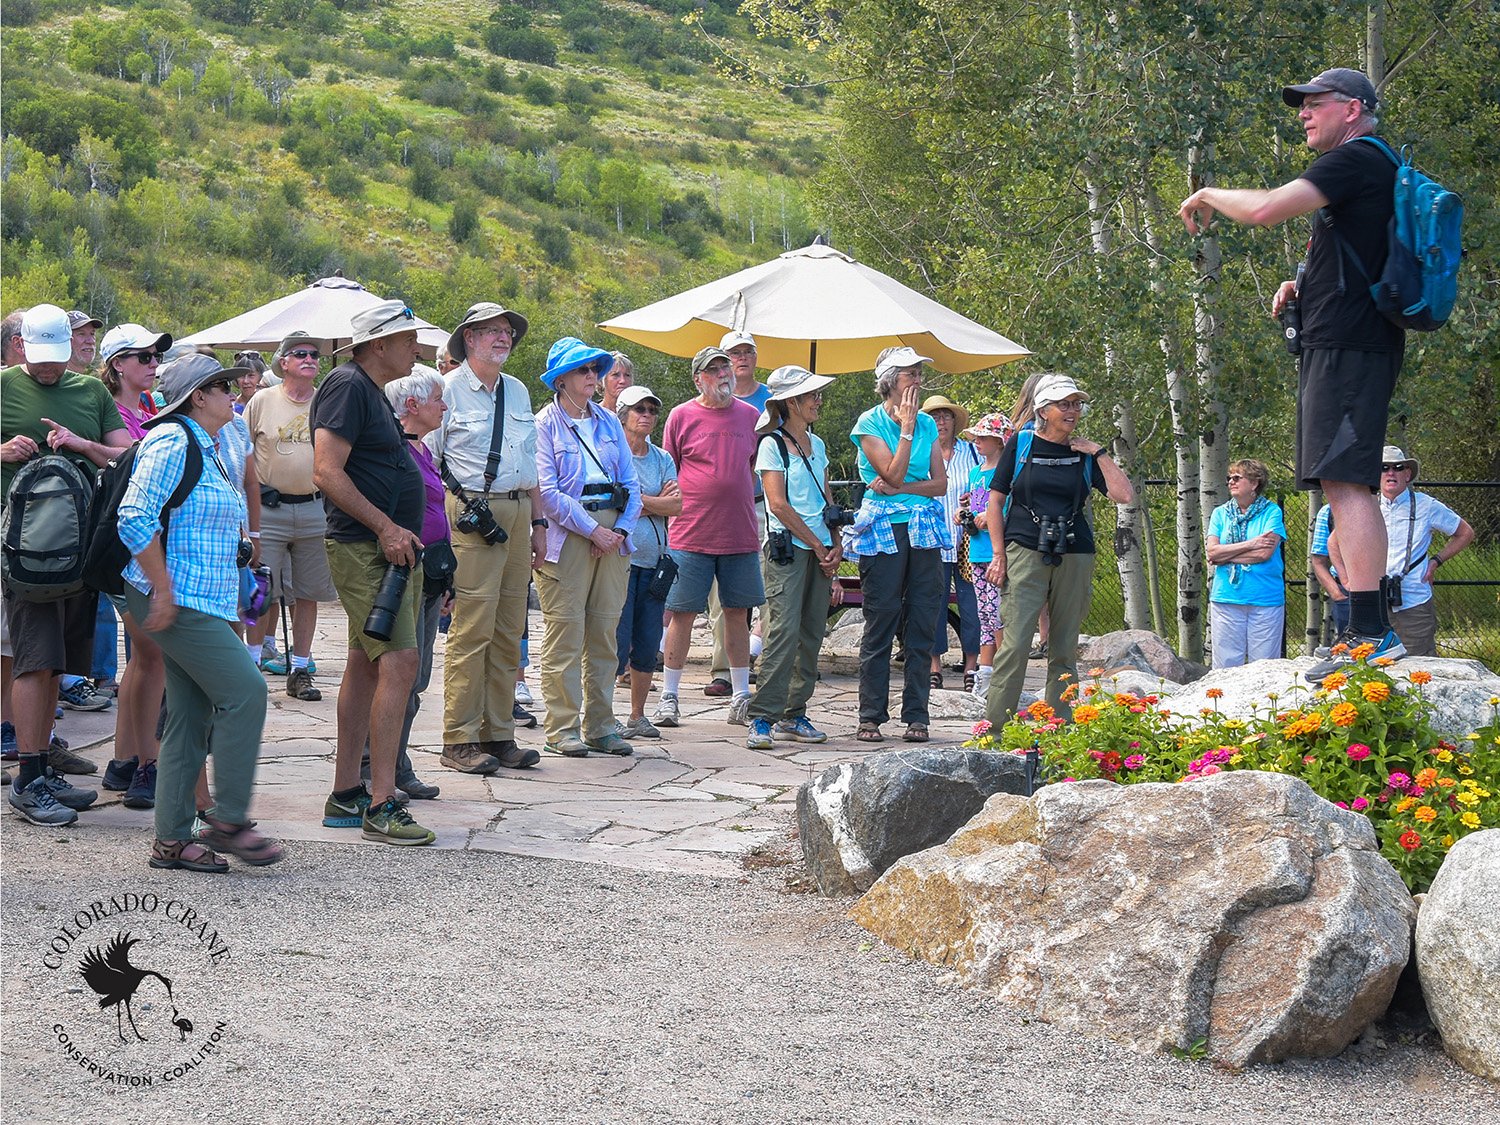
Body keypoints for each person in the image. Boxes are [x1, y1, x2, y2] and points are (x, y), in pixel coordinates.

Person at [1179, 67, 1406, 679]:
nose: (1304, 113)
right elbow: (1361, 253)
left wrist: (1207, 196)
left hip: (1350, 347)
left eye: (1316, 103)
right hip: (1347, 340)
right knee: (1340, 484)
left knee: (1347, 483)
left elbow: (1269, 209)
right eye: (1300, 105)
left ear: (1353, 109)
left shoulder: (1354, 159)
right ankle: (1363, 627)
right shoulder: (1369, 166)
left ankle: (1370, 632)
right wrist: (1304, 284)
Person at [116, 353, 283, 871]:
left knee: (190, 714)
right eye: (221, 386)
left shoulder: (211, 443)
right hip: (176, 598)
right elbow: (133, 517)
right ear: (198, 397)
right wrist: (162, 590)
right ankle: (229, 819)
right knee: (246, 691)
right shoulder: (172, 440)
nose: (233, 393)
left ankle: (170, 841)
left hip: (199, 598)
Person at [311, 299, 437, 846]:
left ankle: (346, 793)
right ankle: (382, 801)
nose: (417, 347)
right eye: (408, 338)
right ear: (378, 344)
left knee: (366, 663)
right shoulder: (346, 386)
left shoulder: (371, 394)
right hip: (367, 548)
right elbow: (325, 470)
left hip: (387, 550)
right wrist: (387, 528)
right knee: (401, 662)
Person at [3, 304, 130, 825]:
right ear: (22, 345)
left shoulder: (91, 392)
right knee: (34, 658)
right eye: (40, 358)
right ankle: (28, 779)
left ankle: (40, 761)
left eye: (57, 358)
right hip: (25, 555)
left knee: (57, 660)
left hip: (78, 553)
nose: (50, 368)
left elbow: (125, 456)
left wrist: (82, 445)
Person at [427, 301, 546, 776]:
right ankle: (458, 739)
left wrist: (539, 524)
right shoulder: (447, 390)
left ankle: (499, 735)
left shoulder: (517, 391)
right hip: (470, 512)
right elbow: (428, 462)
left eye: (507, 332)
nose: (502, 338)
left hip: (517, 513)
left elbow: (531, 464)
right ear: (468, 340)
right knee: (471, 628)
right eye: (491, 331)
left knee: (509, 628)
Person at [983, 374, 1134, 727]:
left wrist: (1099, 452)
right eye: (1064, 404)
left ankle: (1058, 730)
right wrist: (998, 554)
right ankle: (994, 731)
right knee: (1016, 644)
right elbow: (995, 500)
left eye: (1076, 404)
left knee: (1064, 648)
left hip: (1074, 550)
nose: (1072, 411)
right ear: (1043, 410)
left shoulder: (1084, 453)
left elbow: (1124, 495)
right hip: (1023, 549)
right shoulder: (1021, 444)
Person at [534, 339, 641, 757]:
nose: (593, 377)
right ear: (561, 380)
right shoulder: (544, 423)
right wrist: (592, 531)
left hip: (614, 534)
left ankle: (601, 726)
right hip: (569, 535)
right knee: (565, 633)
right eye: (583, 370)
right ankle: (562, 728)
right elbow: (547, 491)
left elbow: (632, 484)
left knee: (604, 633)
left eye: (595, 369)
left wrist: (620, 530)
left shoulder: (610, 421)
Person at [654, 345, 764, 729]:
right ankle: (669, 698)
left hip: (739, 532)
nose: (724, 374)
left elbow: (753, 469)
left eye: (726, 368)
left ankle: (740, 697)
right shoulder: (681, 415)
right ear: (698, 378)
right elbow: (670, 469)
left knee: (737, 613)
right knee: (681, 614)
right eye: (714, 369)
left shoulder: (751, 416)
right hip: (690, 531)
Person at [355, 366, 450, 799]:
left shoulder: (423, 452)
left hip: (429, 575)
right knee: (397, 674)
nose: (444, 407)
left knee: (417, 675)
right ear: (412, 406)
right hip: (403, 573)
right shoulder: (395, 454)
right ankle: (379, 766)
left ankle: (393, 761)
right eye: (437, 399)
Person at [846, 347, 949, 744]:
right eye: (910, 374)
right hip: (884, 529)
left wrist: (900, 488)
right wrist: (905, 431)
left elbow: (939, 485)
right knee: (882, 618)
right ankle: (870, 716)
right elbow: (892, 468)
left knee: (923, 619)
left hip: (923, 526)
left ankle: (917, 716)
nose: (918, 381)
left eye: (920, 373)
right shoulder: (869, 423)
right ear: (889, 380)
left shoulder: (927, 423)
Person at [96, 322, 176, 810]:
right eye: (142, 356)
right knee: (151, 657)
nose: (152, 363)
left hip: (149, 540)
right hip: (125, 542)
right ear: (116, 365)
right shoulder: (109, 410)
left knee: (142, 660)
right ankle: (145, 762)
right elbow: (125, 456)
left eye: (154, 356)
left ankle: (124, 758)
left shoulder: (150, 406)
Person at [745, 366, 843, 750]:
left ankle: (794, 712)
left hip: (820, 550)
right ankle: (762, 717)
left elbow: (827, 498)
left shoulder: (816, 445)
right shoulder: (771, 444)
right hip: (789, 550)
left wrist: (836, 543)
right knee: (783, 632)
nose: (818, 401)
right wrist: (819, 546)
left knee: (812, 632)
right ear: (791, 403)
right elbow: (779, 504)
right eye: (811, 395)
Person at [243, 331, 335, 701]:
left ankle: (300, 668)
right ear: (284, 362)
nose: (310, 359)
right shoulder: (263, 400)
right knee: (258, 590)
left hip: (315, 506)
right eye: (301, 354)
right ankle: (249, 667)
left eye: (314, 354)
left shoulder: (326, 401)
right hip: (269, 508)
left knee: (309, 593)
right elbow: (241, 449)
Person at [1353, 446, 1474, 657]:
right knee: (1374, 665)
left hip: (1414, 602)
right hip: (1375, 601)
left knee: (1420, 666)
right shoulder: (1367, 505)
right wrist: (1348, 577)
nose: (1391, 473)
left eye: (1398, 468)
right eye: (1384, 468)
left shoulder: (1426, 505)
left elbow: (1465, 533)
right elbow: (1335, 541)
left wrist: (1436, 561)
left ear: (1407, 474)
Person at [704, 329, 772, 698]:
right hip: (717, 509)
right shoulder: (703, 404)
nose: (740, 359)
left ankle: (762, 659)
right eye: (733, 354)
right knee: (721, 595)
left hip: (764, 504)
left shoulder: (772, 402)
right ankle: (723, 670)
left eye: (747, 352)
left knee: (766, 587)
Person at [613, 385, 679, 740]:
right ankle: (600, 715)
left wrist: (640, 500)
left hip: (655, 562)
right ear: (623, 414)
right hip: (620, 559)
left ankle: (637, 716)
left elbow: (677, 506)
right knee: (615, 641)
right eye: (640, 408)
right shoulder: (614, 455)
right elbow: (617, 499)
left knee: (648, 638)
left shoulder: (662, 457)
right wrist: (655, 501)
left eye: (653, 409)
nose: (648, 415)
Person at [1205, 459, 1287, 668]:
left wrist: (1225, 555)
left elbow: (1264, 554)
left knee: (1265, 667)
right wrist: (1252, 543)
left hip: (1265, 599)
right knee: (1225, 667)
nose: (1231, 482)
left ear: (1254, 483)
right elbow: (1212, 552)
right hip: (1227, 598)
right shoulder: (1220, 513)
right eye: (1229, 478)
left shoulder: (1271, 512)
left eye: (1237, 478)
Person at [924, 394, 981, 691]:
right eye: (934, 417)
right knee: (933, 605)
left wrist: (974, 498)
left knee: (972, 605)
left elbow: (988, 485)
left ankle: (971, 666)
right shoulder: (921, 453)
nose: (941, 422)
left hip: (969, 543)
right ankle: (934, 666)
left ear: (955, 421)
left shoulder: (973, 453)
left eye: (945, 416)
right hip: (934, 540)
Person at [959, 413, 1013, 699]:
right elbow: (973, 498)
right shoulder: (976, 471)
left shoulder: (1007, 473)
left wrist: (988, 516)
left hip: (997, 550)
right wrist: (964, 512)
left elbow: (1007, 508)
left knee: (999, 613)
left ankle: (1004, 675)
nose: (976, 441)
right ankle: (986, 672)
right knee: (984, 614)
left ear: (999, 441)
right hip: (977, 550)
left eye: (982, 437)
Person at [1308, 502, 1348, 641]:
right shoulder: (1328, 511)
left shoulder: (1377, 506)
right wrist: (1338, 594)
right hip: (1346, 594)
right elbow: (1318, 561)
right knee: (1352, 654)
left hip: (1387, 591)